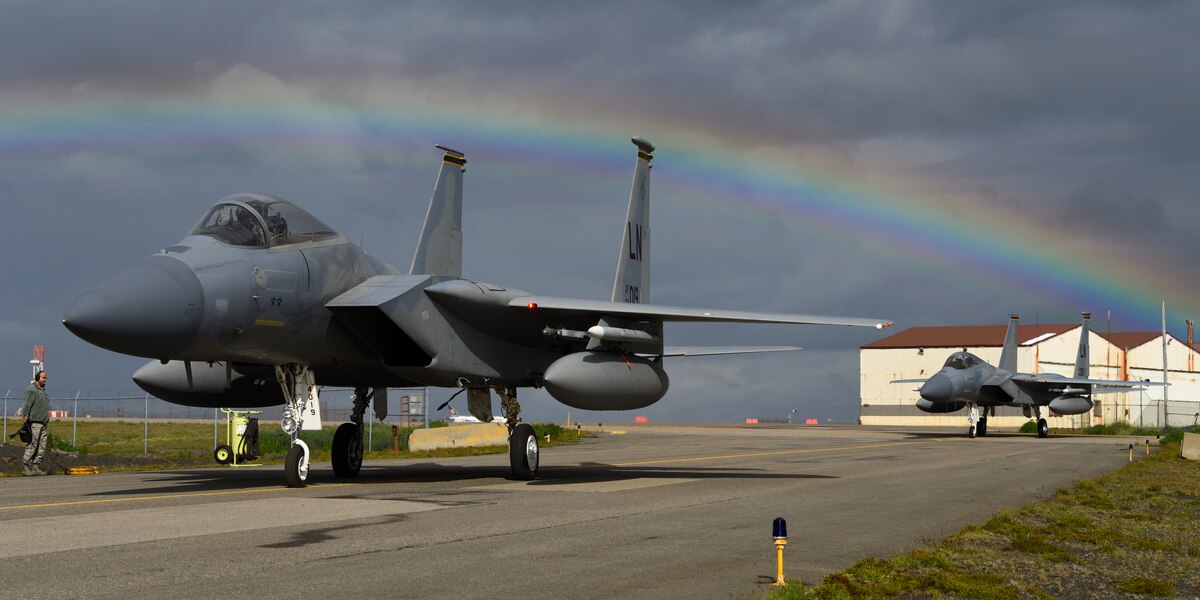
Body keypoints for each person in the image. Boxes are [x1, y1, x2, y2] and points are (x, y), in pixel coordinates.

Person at [16, 370, 50, 476]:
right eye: (43, 378)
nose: (45, 379)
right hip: (34, 422)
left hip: (43, 422)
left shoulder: (43, 391)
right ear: (37, 378)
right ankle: (26, 467)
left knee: (42, 446)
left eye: (46, 378)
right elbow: (26, 404)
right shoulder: (32, 390)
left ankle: (36, 467)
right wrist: (25, 416)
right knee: (33, 444)